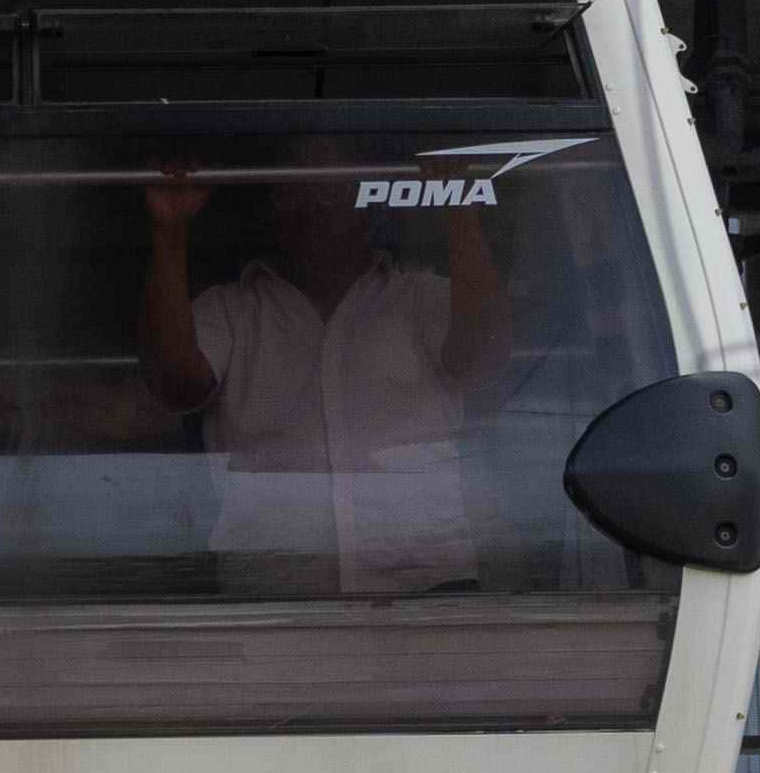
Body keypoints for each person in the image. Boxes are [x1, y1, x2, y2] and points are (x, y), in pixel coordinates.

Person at [136, 141, 513, 595]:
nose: (315, 203)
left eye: (331, 187)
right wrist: (169, 232)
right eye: (299, 187)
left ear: (364, 201)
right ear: (273, 203)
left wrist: (458, 206)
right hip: (274, 594)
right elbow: (175, 385)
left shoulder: (419, 298)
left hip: (427, 585)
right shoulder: (231, 311)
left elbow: (484, 356)